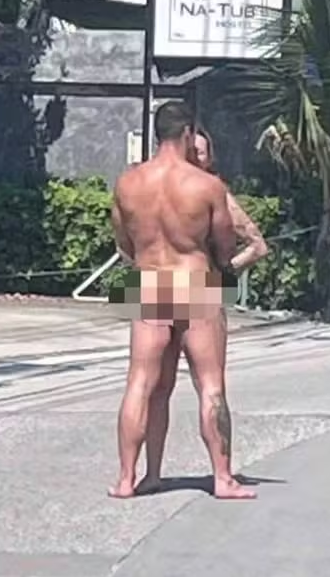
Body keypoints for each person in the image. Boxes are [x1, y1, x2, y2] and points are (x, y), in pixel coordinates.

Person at [108, 101, 256, 500]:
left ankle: (130, 478)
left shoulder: (127, 183)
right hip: (194, 281)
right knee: (210, 384)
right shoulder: (206, 186)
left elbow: (123, 242)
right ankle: (223, 478)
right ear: (188, 133)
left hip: (148, 283)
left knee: (141, 383)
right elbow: (224, 245)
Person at [135, 127, 270, 494]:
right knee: (157, 387)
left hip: (187, 287)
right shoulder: (165, 185)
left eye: (201, 153)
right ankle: (152, 474)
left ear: (210, 159)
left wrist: (224, 274)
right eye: (190, 150)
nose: (193, 157)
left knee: (207, 386)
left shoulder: (214, 191)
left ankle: (221, 475)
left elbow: (257, 245)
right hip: (164, 286)